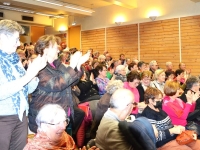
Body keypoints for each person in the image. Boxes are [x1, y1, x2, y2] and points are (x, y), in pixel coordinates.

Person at [0, 19, 47, 150]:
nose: (18, 43)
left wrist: (34, 74)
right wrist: (27, 76)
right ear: (2, 37)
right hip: (2, 118)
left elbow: (26, 89)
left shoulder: (15, 60)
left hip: (20, 115)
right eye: (15, 39)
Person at [28, 35, 90, 134]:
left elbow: (72, 82)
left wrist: (78, 65)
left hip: (63, 114)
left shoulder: (57, 64)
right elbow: (56, 85)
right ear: (46, 49)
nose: (58, 50)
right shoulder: (39, 65)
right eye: (56, 48)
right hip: (48, 119)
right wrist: (72, 65)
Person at [24, 104, 99, 150]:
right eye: (57, 123)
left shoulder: (65, 137)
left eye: (64, 121)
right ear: (44, 126)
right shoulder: (35, 148)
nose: (63, 127)